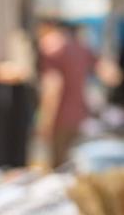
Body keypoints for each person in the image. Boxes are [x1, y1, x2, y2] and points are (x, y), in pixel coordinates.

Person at [38, 18, 97, 169]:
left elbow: (52, 87)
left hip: (60, 118)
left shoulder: (52, 50)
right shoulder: (81, 48)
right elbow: (109, 73)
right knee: (72, 166)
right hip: (79, 115)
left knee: (58, 167)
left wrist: (45, 121)